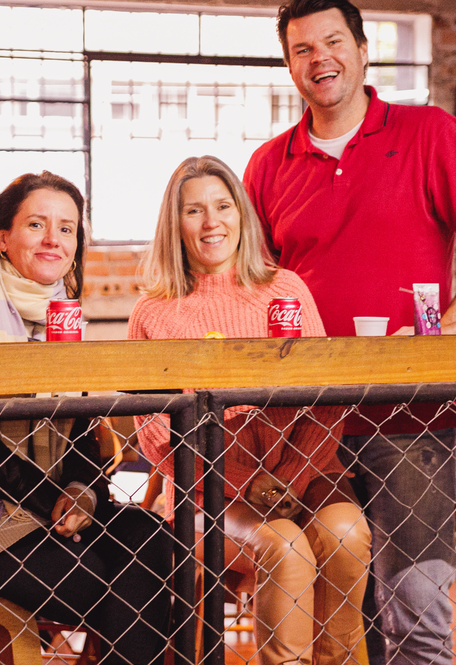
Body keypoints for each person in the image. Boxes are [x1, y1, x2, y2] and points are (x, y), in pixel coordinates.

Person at [243, 0, 456, 665]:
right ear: (289, 67)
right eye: (303, 49)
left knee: (414, 605)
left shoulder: (430, 134)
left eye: (333, 42)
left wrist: (454, 329)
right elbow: (251, 286)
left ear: (363, 51)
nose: (321, 59)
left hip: (412, 416)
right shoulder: (266, 165)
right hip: (304, 424)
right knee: (331, 614)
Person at [0, 172, 173, 665]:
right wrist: (53, 497)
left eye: (66, 228)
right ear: (3, 237)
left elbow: (80, 427)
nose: (52, 239)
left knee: (153, 540)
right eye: (36, 224)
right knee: (114, 588)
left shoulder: (63, 316)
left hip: (49, 514)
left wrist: (83, 490)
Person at [130, 155, 371, 665]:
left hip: (305, 467)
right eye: (194, 211)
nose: (212, 222)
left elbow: (327, 397)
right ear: (174, 224)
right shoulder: (154, 310)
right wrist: (242, 482)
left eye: (223, 206)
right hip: (209, 485)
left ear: (242, 213)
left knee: (347, 535)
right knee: (284, 546)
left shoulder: (286, 290)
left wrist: (288, 476)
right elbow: (154, 435)